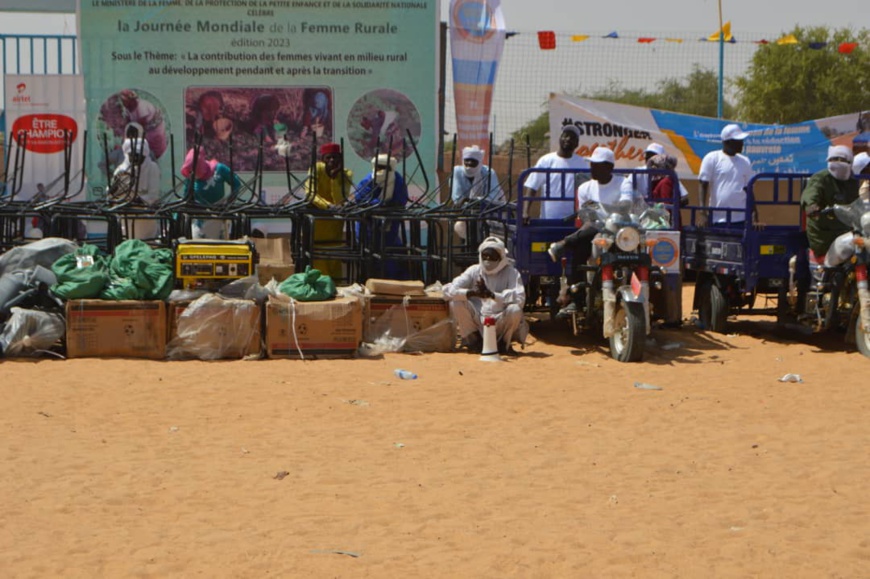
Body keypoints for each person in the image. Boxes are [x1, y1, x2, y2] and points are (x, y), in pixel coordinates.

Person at [546, 147, 633, 316]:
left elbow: (626, 206)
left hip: (620, 232)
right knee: (579, 252)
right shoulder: (585, 187)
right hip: (595, 232)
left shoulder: (623, 182)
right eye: (592, 164)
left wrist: (601, 209)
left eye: (597, 165)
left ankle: (563, 243)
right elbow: (587, 217)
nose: (592, 168)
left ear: (609, 167)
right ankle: (576, 301)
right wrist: (601, 214)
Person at [443, 236, 527, 356]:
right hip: (478, 320)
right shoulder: (474, 271)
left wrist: (493, 295)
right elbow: (447, 291)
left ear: (500, 257)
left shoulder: (511, 272)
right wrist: (471, 293)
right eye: (485, 256)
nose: (488, 260)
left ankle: (504, 344)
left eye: (492, 257)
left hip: (501, 320)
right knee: (456, 302)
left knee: (515, 309)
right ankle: (474, 342)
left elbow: (520, 298)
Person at [800, 145, 860, 266]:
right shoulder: (821, 178)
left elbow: (859, 201)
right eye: (834, 159)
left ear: (850, 163)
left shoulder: (852, 182)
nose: (837, 163)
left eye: (842, 160)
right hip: (823, 233)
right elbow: (810, 194)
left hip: (846, 230)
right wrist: (812, 207)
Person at [304, 142, 354, 279]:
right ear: (323, 159)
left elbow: (340, 199)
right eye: (328, 158)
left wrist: (334, 178)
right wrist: (327, 206)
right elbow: (310, 194)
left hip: (334, 225)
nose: (332, 161)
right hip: (318, 223)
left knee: (334, 258)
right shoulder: (316, 169)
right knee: (318, 259)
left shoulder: (346, 173)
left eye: (335, 158)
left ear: (341, 159)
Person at [354, 154, 410, 278]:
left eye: (385, 168)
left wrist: (388, 205)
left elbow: (401, 200)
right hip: (368, 227)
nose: (381, 171)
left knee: (390, 258)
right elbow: (360, 200)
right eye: (379, 167)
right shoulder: (367, 180)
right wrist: (378, 204)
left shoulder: (398, 181)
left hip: (389, 228)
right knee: (368, 258)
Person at [522, 124, 590, 222]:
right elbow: (532, 187)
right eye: (565, 136)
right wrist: (525, 212)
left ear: (577, 143)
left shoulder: (582, 163)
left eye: (572, 137)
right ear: (560, 139)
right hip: (548, 220)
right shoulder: (545, 160)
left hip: (573, 220)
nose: (568, 139)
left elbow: (587, 191)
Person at [180, 147, 243, 239]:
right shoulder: (191, 176)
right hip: (199, 218)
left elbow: (236, 184)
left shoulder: (219, 169)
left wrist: (228, 203)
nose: (193, 174)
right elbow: (185, 197)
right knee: (198, 248)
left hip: (218, 215)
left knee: (218, 247)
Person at [698, 124, 754, 226]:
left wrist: (754, 213)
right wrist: (703, 212)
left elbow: (748, 189)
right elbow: (703, 184)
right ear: (728, 142)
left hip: (741, 219)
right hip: (718, 219)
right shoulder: (712, 158)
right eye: (738, 140)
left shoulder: (745, 161)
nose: (742, 143)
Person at [110, 137, 162, 240]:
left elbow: (153, 195)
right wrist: (112, 191)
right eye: (132, 156)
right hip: (126, 217)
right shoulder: (121, 170)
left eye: (139, 156)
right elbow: (111, 194)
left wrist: (138, 200)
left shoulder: (152, 168)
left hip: (144, 218)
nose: (136, 159)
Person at [451, 145, 505, 241]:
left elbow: (493, 196)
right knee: (462, 227)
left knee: (489, 233)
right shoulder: (457, 172)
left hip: (489, 211)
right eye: (467, 160)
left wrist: (472, 201)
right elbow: (457, 197)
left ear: (479, 162)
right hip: (467, 212)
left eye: (473, 161)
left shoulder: (488, 173)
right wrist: (464, 203)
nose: (469, 163)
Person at [621, 143, 689, 205]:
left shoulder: (668, 175)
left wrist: (664, 206)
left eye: (653, 156)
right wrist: (628, 200)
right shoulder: (638, 172)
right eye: (647, 156)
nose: (649, 159)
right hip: (640, 213)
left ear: (661, 159)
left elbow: (684, 198)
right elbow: (627, 185)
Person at [119, 89, 167, 160]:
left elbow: (139, 127)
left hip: (154, 130)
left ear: (131, 101)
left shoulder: (142, 107)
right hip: (144, 130)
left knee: (155, 148)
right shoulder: (127, 109)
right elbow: (127, 123)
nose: (123, 103)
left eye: (124, 101)